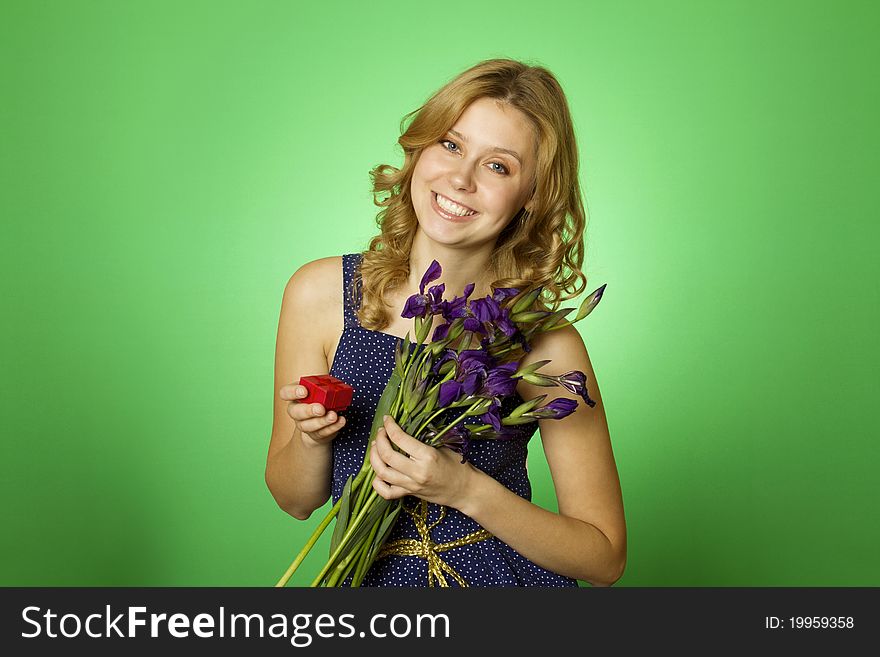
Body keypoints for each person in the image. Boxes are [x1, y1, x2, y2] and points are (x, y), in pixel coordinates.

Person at [266, 58, 626, 587]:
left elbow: (604, 559)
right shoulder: (320, 294)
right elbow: (295, 501)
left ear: (532, 197)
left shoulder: (543, 342)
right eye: (451, 145)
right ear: (420, 150)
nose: (460, 178)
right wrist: (313, 441)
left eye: (498, 165)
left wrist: (463, 489)